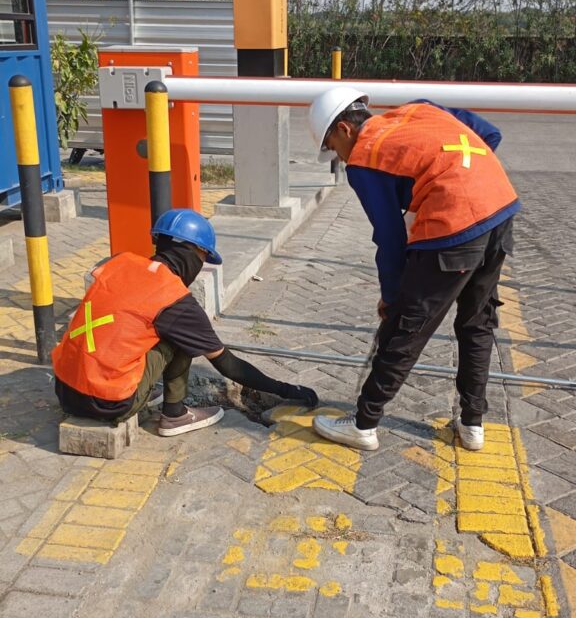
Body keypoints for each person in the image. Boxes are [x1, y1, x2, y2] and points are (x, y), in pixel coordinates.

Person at [307, 86, 520, 452]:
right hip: (499, 208)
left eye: (330, 148)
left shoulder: (364, 157)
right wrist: (463, 181)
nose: (337, 158)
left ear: (344, 129)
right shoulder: (418, 110)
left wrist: (391, 298)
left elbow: (389, 239)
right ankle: (472, 424)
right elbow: (488, 134)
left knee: (406, 328)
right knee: (477, 322)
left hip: (454, 224)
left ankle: (363, 423)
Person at [52, 209, 318, 436]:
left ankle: (143, 387)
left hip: (64, 389)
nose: (200, 267)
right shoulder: (174, 299)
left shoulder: (119, 264)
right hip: (107, 403)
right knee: (180, 337)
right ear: (195, 251)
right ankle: (175, 414)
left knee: (142, 327)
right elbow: (229, 366)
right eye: (203, 259)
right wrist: (286, 390)